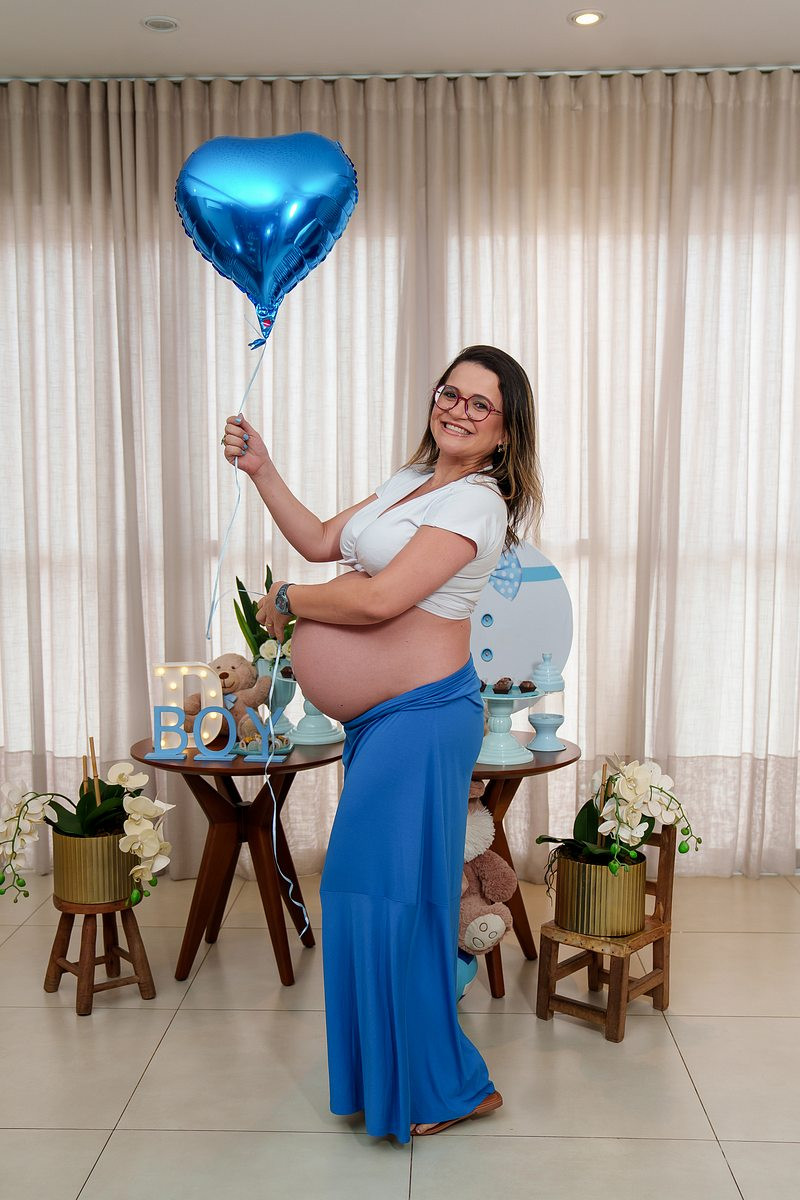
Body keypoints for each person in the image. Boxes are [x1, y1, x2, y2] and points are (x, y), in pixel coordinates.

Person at [221, 345, 543, 1141]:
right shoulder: (410, 482)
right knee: (374, 894)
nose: (458, 410)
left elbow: (381, 601)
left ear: (505, 432)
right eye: (450, 393)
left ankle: (443, 1088)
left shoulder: (478, 504)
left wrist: (288, 600)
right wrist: (263, 470)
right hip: (382, 721)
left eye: (480, 404)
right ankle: (395, 1079)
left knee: (388, 897)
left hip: (424, 716)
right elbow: (321, 538)